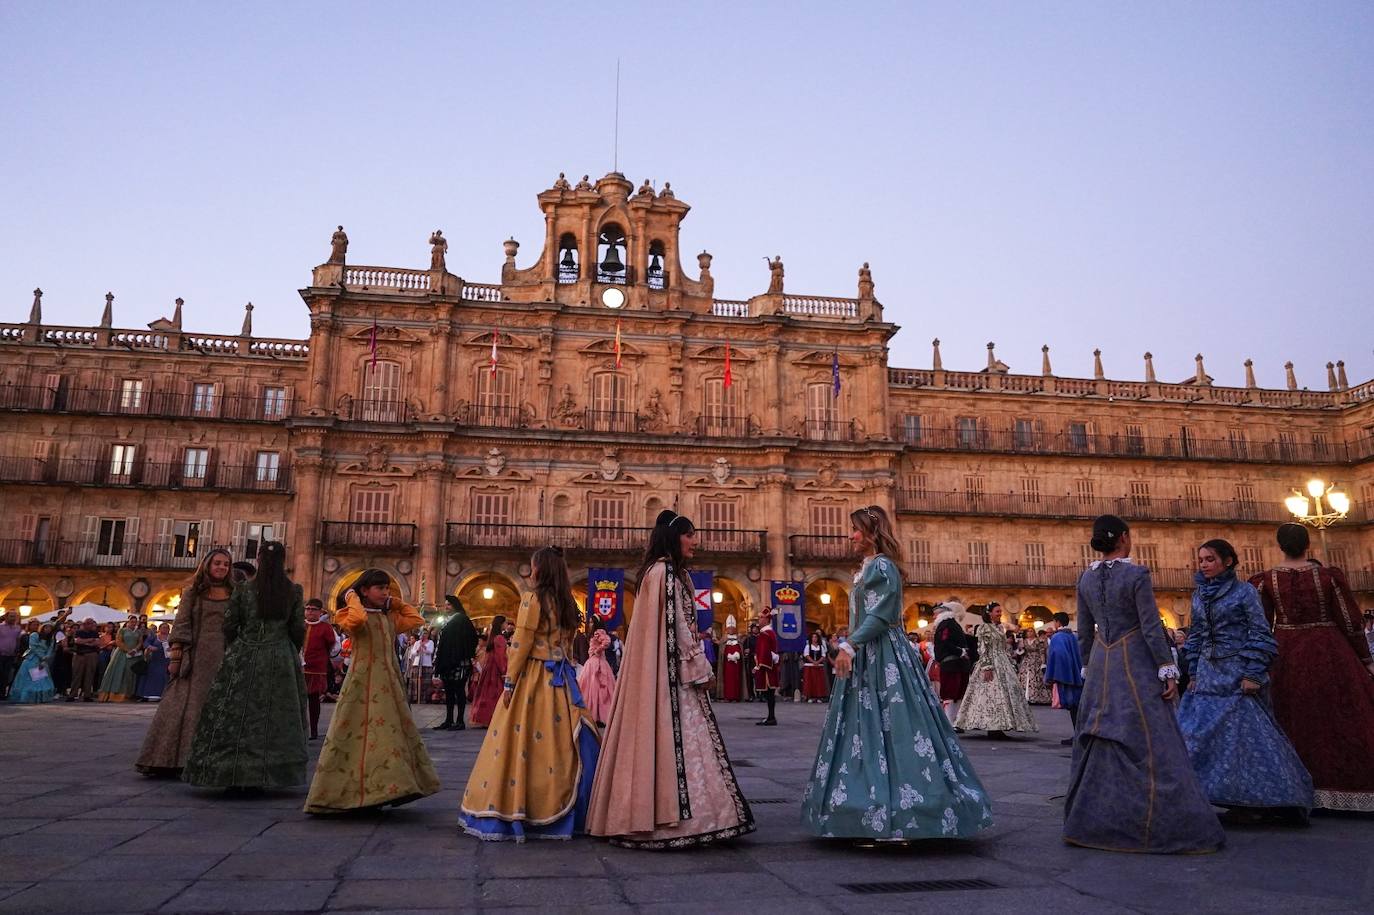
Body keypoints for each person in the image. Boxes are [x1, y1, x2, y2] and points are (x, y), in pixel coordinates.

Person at [802, 506, 992, 841]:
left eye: (856, 530)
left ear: (872, 533)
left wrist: (850, 645)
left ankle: (904, 805)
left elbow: (881, 615)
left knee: (894, 725)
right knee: (869, 727)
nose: (851, 536)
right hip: (867, 655)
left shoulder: (883, 566)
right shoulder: (867, 568)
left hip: (882, 654)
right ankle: (869, 802)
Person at [587, 511, 755, 848]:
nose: (695, 541)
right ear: (673, 537)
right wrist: (701, 668)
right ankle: (678, 820)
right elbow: (677, 627)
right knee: (677, 739)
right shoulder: (665, 574)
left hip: (663, 676)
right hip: (672, 680)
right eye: (689, 535)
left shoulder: (658, 573)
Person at [1063, 515, 1223, 854]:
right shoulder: (1136, 575)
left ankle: (1092, 820)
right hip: (1134, 661)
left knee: (1098, 732)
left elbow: (1083, 632)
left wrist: (1089, 667)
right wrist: (1167, 666)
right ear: (1124, 538)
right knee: (1149, 738)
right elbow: (1151, 627)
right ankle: (1150, 823)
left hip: (1102, 664)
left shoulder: (1085, 579)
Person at [462, 546, 601, 841]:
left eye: (532, 566)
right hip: (562, 681)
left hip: (534, 678)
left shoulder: (533, 599)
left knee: (519, 742)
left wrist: (510, 682)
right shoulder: (567, 604)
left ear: (539, 570)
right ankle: (576, 807)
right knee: (567, 741)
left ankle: (520, 807)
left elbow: (521, 642)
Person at [1176, 539, 1312, 820]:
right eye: (1201, 559)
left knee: (1245, 739)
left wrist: (1252, 672)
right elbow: (1198, 635)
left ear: (1227, 561)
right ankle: (1205, 795)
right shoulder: (1199, 595)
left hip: (1237, 674)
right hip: (1207, 676)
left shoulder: (1244, 592)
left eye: (1210, 559)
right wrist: (1193, 672)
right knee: (1195, 734)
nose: (1203, 564)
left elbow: (1259, 631)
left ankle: (1269, 802)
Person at [1251, 522, 1374, 812]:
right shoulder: (1329, 577)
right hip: (1329, 649)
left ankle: (1294, 788)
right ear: (1309, 546)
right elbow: (1350, 621)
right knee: (1340, 716)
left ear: (1279, 546)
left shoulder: (1266, 580)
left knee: (1291, 716)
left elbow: (1259, 626)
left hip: (1286, 652)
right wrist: (1365, 659)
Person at [304, 569, 440, 814]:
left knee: (387, 734)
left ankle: (388, 786)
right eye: (380, 588)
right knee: (355, 731)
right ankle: (349, 790)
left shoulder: (389, 617)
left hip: (388, 682)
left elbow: (416, 619)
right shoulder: (350, 613)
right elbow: (357, 622)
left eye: (387, 588)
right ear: (365, 590)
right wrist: (352, 598)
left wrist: (394, 602)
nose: (385, 592)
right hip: (361, 679)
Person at [183, 541, 309, 792]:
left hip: (245, 653)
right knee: (277, 715)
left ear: (259, 559)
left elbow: (229, 624)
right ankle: (273, 771)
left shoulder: (243, 589)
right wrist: (289, 649)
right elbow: (298, 627)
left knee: (235, 713)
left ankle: (230, 769)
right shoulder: (293, 590)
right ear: (283, 561)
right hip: (280, 655)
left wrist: (238, 647)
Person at [136, 548, 235, 776]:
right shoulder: (193, 592)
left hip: (224, 654)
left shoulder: (234, 592)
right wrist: (177, 656)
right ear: (208, 565)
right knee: (185, 705)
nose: (221, 567)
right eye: (217, 563)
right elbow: (181, 623)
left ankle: (211, 758)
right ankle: (174, 758)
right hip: (196, 654)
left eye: (226, 564)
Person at [956, 602, 1038, 738]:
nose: (1000, 614)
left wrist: (1010, 663)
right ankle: (993, 727)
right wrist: (987, 666)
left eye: (1000, 611)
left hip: (1002, 662)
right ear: (989, 613)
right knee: (991, 693)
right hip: (991, 662)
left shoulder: (1000, 628)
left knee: (1006, 692)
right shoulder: (984, 628)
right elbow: (982, 648)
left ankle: (1001, 725)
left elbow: (1004, 648)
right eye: (997, 611)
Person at [433, 595, 478, 731]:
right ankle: (448, 719)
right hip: (448, 661)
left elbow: (472, 639)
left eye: (449, 605)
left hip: (459, 662)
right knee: (449, 691)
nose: (446, 607)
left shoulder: (462, 620)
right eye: (446, 604)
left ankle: (459, 721)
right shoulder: (447, 621)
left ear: (455, 606)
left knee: (459, 691)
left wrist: (462, 654)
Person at [1044, 614, 1083, 747]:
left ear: (1057, 622)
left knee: (1072, 705)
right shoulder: (1073, 636)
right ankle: (1079, 734)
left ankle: (1078, 736)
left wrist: (1052, 676)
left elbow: (1058, 655)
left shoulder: (1057, 637)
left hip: (1066, 675)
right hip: (1077, 674)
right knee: (1077, 706)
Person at [931, 600, 973, 722]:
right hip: (954, 664)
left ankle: (952, 721)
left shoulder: (947, 624)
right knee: (953, 693)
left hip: (954, 664)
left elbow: (945, 641)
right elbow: (946, 642)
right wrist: (961, 652)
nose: (934, 616)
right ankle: (951, 721)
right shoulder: (949, 624)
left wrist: (962, 651)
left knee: (953, 693)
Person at [302, 599, 337, 740]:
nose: (310, 612)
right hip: (299, 668)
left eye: (313, 609)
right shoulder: (300, 625)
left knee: (314, 699)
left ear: (320, 612)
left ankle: (314, 729)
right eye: (308, 608)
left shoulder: (326, 628)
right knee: (298, 700)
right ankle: (299, 728)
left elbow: (332, 646)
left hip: (316, 668)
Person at [469, 614, 509, 727]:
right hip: (496, 670)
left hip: (489, 668)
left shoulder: (493, 637)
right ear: (501, 624)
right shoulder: (500, 638)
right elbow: (500, 656)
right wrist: (504, 670)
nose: (506, 625)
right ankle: (494, 718)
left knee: (486, 693)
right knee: (495, 693)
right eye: (505, 622)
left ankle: (484, 717)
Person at [7, 621, 62, 703]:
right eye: (46, 627)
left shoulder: (51, 638)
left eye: (50, 628)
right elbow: (33, 647)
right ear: (42, 628)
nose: (48, 629)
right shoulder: (34, 635)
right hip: (32, 659)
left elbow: (50, 649)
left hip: (43, 660)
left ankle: (40, 697)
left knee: (40, 680)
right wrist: (42, 657)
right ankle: (28, 697)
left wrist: (46, 658)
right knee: (31, 679)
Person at [97, 615, 144, 701]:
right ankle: (114, 694)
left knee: (130, 673)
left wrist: (135, 649)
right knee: (119, 672)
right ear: (128, 622)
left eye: (135, 622)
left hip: (134, 655)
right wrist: (127, 650)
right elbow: (118, 641)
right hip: (122, 654)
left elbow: (140, 642)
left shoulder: (138, 632)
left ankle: (128, 694)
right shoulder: (122, 630)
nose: (133, 623)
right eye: (131, 622)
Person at [578, 624, 617, 727]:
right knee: (591, 689)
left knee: (598, 690)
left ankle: (598, 716)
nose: (589, 624)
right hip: (593, 663)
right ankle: (594, 716)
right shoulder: (594, 634)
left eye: (591, 622)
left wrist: (598, 650)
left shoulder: (599, 632)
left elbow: (607, 642)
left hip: (597, 664)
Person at [67, 617, 102, 701]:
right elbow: (77, 641)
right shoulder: (79, 632)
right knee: (77, 675)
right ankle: (72, 695)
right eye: (89, 623)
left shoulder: (95, 633)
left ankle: (87, 695)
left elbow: (97, 643)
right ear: (84, 624)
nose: (91, 625)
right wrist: (90, 640)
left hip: (91, 655)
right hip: (80, 655)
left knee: (89, 675)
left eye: (92, 623)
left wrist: (85, 642)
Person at [753, 614, 779, 725]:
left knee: (769, 693)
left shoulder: (765, 634)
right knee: (769, 694)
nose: (759, 620)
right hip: (770, 666)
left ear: (767, 619)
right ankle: (770, 716)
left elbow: (764, 652)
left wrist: (759, 665)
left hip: (767, 668)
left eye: (761, 618)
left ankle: (771, 717)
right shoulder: (769, 633)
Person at [137, 623, 171, 700]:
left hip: (166, 660)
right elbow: (146, 643)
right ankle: (149, 695)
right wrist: (150, 647)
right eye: (163, 628)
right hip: (154, 660)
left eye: (167, 628)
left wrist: (172, 649)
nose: (165, 629)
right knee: (152, 675)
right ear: (160, 628)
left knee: (164, 676)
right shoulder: (154, 636)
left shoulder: (171, 637)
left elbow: (176, 645)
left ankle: (162, 695)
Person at [1020, 628, 1052, 705]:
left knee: (1036, 678)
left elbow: (1042, 652)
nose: (1029, 633)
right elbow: (1021, 652)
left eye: (1031, 631)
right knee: (1025, 677)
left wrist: (1043, 663)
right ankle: (1025, 696)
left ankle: (1036, 696)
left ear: (1034, 633)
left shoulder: (1039, 641)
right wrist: (1020, 649)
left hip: (1036, 660)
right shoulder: (1023, 641)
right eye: (1028, 631)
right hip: (1027, 660)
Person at [406, 628, 435, 704]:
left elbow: (430, 651)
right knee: (415, 682)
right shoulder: (417, 643)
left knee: (425, 682)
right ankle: (415, 698)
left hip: (426, 664)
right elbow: (413, 653)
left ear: (428, 635)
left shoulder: (431, 642)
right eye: (423, 633)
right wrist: (418, 649)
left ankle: (424, 698)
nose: (424, 635)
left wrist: (424, 647)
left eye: (426, 634)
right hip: (417, 663)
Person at [720, 617, 744, 701]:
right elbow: (722, 650)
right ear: (726, 628)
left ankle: (737, 696)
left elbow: (740, 648)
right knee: (728, 680)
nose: (731, 629)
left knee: (736, 679)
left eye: (732, 628)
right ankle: (728, 696)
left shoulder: (738, 638)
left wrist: (738, 654)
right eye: (729, 628)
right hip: (727, 664)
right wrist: (728, 655)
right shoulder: (724, 638)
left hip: (737, 663)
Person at [802, 631, 829, 702]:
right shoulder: (808, 646)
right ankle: (810, 697)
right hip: (809, 666)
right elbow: (806, 655)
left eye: (816, 637)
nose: (814, 639)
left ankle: (819, 697)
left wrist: (818, 662)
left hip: (819, 666)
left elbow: (823, 656)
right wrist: (813, 662)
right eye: (813, 637)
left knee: (818, 682)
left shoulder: (821, 647)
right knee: (810, 682)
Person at [0, 610, 21, 700]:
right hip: (0, 654)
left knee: (6, 675)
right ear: (6, 617)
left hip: (11, 655)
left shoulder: (17, 628)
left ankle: (2, 693)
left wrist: (17, 652)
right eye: (11, 616)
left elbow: (17, 641)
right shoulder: (0, 627)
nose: (13, 618)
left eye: (14, 616)